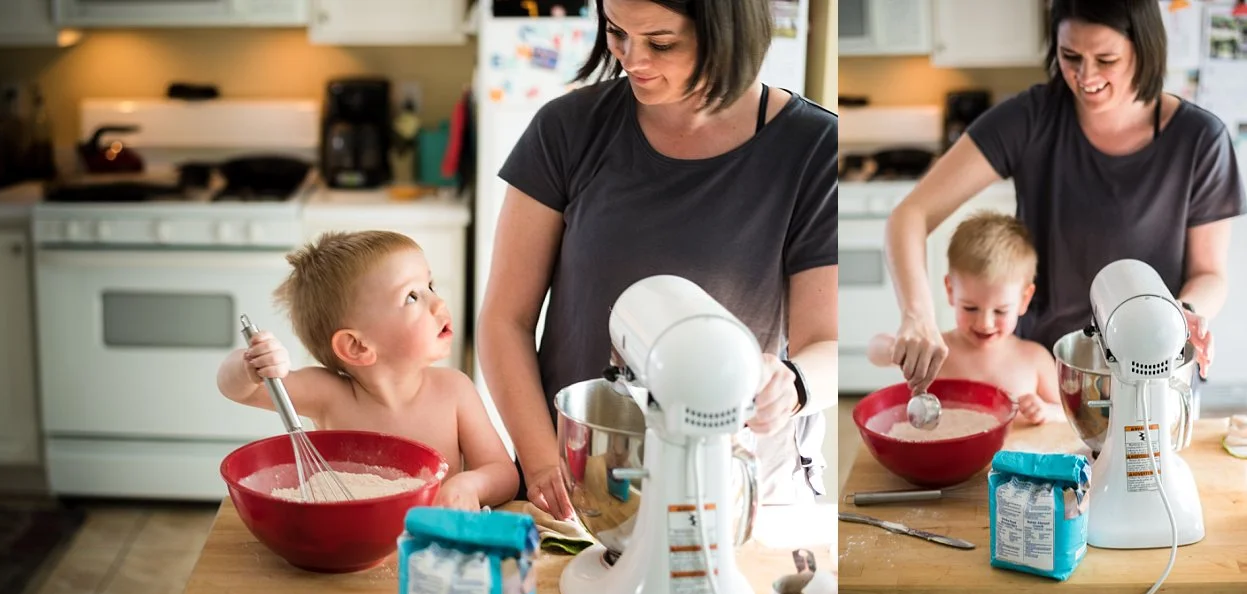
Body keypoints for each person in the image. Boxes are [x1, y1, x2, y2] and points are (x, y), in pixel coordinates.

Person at [477, 0, 837, 520]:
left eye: (662, 43)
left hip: (734, 481)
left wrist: (795, 383)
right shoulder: (567, 129)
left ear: (729, 30)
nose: (631, 58)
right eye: (616, 32)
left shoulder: (811, 148)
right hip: (576, 470)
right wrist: (540, 466)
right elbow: (503, 320)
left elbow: (824, 343)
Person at [886, 0, 1247, 393]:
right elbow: (910, 214)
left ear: (1145, 49)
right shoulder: (1030, 119)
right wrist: (916, 314)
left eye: (1106, 59)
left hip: (1153, 371)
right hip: (1048, 378)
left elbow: (1209, 274)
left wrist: (1185, 312)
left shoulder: (1199, 141)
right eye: (1070, 55)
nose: (1084, 75)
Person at [217, 230, 519, 511]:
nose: (438, 303)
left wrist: (470, 484)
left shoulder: (454, 391)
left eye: (430, 286)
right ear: (357, 346)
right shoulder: (330, 395)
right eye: (412, 297)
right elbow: (237, 389)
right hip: (350, 548)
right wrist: (251, 365)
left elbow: (504, 474)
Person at [869, 213, 1062, 425]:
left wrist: (1045, 411)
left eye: (1000, 311)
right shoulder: (937, 351)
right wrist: (894, 349)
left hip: (1012, 455)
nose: (984, 323)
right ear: (950, 290)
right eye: (970, 308)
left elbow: (1067, 414)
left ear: (1024, 299)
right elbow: (873, 352)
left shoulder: (1034, 358)